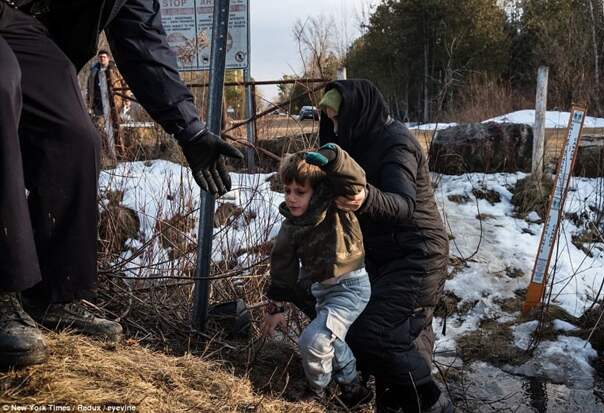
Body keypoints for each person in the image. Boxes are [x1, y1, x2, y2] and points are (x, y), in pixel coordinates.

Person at [0, 0, 242, 368]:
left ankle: (54, 293)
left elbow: (143, 43)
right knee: (2, 84)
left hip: (18, 23)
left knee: (74, 136)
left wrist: (190, 130)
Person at [318, 81, 454, 413]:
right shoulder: (351, 143)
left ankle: (433, 401)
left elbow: (403, 204)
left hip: (417, 254)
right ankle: (394, 401)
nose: (335, 128)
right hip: (378, 256)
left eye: (339, 119)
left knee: (370, 332)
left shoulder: (397, 143)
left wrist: (365, 198)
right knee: (395, 336)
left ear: (358, 113)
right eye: (329, 120)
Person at [262, 145, 372, 408]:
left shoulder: (335, 205)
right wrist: (276, 305)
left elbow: (355, 179)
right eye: (287, 191)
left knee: (313, 341)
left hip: (352, 286)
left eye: (300, 192)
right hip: (322, 290)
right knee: (332, 340)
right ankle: (353, 390)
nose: (291, 198)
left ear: (317, 191)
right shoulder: (292, 226)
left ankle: (317, 391)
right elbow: (282, 265)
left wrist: (334, 158)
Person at [86, 50, 126, 118]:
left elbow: (125, 84)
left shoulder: (115, 70)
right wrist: (89, 103)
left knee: (114, 125)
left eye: (104, 57)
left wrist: (126, 100)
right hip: (98, 104)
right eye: (100, 57)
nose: (102, 59)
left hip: (114, 103)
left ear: (108, 58)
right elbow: (89, 89)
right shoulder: (93, 72)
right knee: (99, 126)